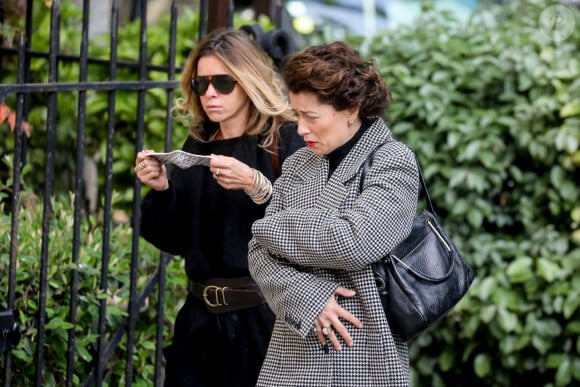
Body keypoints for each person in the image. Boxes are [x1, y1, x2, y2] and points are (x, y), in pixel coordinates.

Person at [133, 28, 304, 387]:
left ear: (247, 81)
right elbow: (173, 237)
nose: (210, 94)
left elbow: (307, 227)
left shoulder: (284, 137)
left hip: (265, 321)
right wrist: (162, 189)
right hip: (199, 322)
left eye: (223, 83)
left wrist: (258, 186)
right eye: (201, 84)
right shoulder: (198, 141)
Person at [247, 41, 420, 386]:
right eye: (297, 115)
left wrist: (272, 226)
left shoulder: (392, 160)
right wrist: (309, 297)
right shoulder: (298, 164)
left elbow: (354, 241)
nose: (301, 130)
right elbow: (256, 254)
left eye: (312, 117)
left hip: (363, 353)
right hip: (291, 354)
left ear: (352, 109)